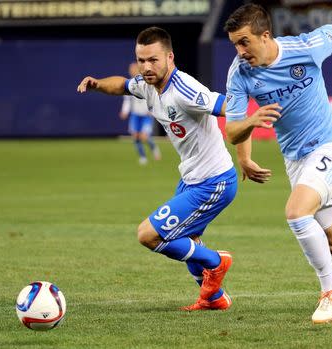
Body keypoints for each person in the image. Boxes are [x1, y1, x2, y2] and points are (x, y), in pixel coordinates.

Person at [224, 4, 332, 324]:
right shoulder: (239, 73)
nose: (240, 50)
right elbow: (232, 129)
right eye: (235, 43)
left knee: (296, 211)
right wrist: (247, 144)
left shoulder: (305, 47)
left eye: (244, 41)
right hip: (296, 159)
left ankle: (330, 292)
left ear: (265, 35)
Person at [77, 26, 237, 311]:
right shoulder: (146, 85)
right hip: (191, 178)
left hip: (215, 181)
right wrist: (98, 83)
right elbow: (123, 85)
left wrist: (259, 120)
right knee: (187, 243)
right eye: (141, 60)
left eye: (153, 60)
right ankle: (214, 298)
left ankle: (217, 261)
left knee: (149, 235)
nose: (146, 67)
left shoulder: (185, 89)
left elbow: (226, 106)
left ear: (170, 57)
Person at [119, 62, 161, 165]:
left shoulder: (146, 82)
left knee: (144, 136)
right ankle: (143, 157)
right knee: (135, 136)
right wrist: (125, 111)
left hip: (146, 114)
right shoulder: (129, 83)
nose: (131, 71)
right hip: (135, 114)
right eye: (130, 69)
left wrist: (153, 109)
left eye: (133, 69)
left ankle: (154, 147)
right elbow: (127, 100)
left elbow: (153, 96)